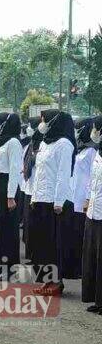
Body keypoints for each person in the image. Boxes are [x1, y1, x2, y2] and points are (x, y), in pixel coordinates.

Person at [29, 110, 75, 294]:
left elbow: (63, 175)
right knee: (40, 243)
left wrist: (58, 202)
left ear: (53, 121)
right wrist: (33, 197)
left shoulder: (64, 144)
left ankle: (57, 282)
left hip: (54, 202)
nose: (42, 123)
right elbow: (39, 173)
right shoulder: (45, 142)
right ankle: (47, 280)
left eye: (44, 120)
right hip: (40, 198)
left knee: (53, 243)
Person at [0, 112, 23, 280]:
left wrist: (10, 196)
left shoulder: (13, 142)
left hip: (6, 185)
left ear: (5, 124)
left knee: (6, 227)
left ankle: (8, 268)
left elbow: (15, 170)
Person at [71, 118, 96, 279]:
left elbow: (93, 177)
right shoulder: (80, 148)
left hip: (85, 198)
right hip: (74, 196)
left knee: (82, 234)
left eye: (78, 128)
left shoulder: (92, 150)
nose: (76, 131)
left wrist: (87, 198)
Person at [82, 116, 102, 313]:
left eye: (96, 129)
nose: (93, 133)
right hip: (94, 211)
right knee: (93, 256)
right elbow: (92, 180)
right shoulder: (98, 152)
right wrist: (88, 200)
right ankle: (97, 299)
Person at [21, 117, 41, 259]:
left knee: (33, 225)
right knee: (28, 225)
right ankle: (30, 254)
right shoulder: (31, 143)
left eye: (30, 126)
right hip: (27, 187)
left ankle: (34, 255)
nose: (28, 129)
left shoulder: (41, 144)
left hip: (36, 189)